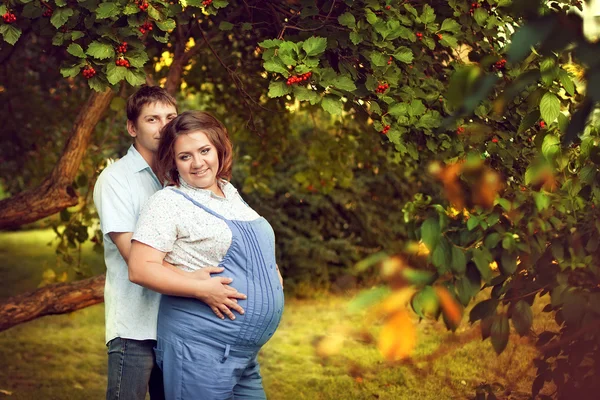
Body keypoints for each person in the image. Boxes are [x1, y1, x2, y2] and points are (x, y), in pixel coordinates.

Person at [93, 87, 246, 400]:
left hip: (179, 322)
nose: (162, 126)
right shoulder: (115, 179)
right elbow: (133, 257)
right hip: (135, 326)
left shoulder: (181, 173)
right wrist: (201, 285)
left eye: (169, 117)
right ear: (132, 128)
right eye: (152, 119)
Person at [128, 110, 284, 400]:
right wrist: (201, 288)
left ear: (219, 149)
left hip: (241, 354)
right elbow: (140, 267)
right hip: (200, 347)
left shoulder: (229, 192)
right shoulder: (167, 202)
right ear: (173, 162)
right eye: (185, 156)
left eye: (204, 151)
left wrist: (269, 274)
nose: (198, 163)